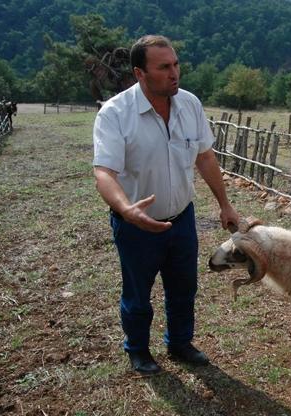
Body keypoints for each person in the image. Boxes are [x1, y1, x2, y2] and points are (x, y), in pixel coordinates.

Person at [92, 35, 239, 375]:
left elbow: (204, 156)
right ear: (140, 73)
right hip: (136, 224)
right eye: (164, 67)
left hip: (182, 218)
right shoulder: (115, 114)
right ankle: (139, 350)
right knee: (138, 293)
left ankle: (180, 343)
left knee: (184, 286)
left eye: (175, 65)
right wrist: (128, 211)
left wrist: (225, 204)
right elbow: (104, 172)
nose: (175, 73)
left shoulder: (190, 104)